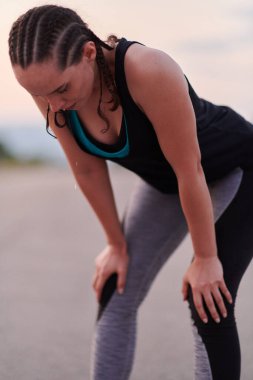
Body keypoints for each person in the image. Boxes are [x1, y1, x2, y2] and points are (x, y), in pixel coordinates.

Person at [8, 5, 253, 380]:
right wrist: (116, 245)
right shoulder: (51, 88)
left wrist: (205, 257)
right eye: (39, 94)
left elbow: (190, 170)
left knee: (209, 300)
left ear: (89, 53)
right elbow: (87, 169)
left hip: (234, 169)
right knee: (115, 287)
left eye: (60, 90)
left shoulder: (148, 70)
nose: (53, 105)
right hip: (168, 183)